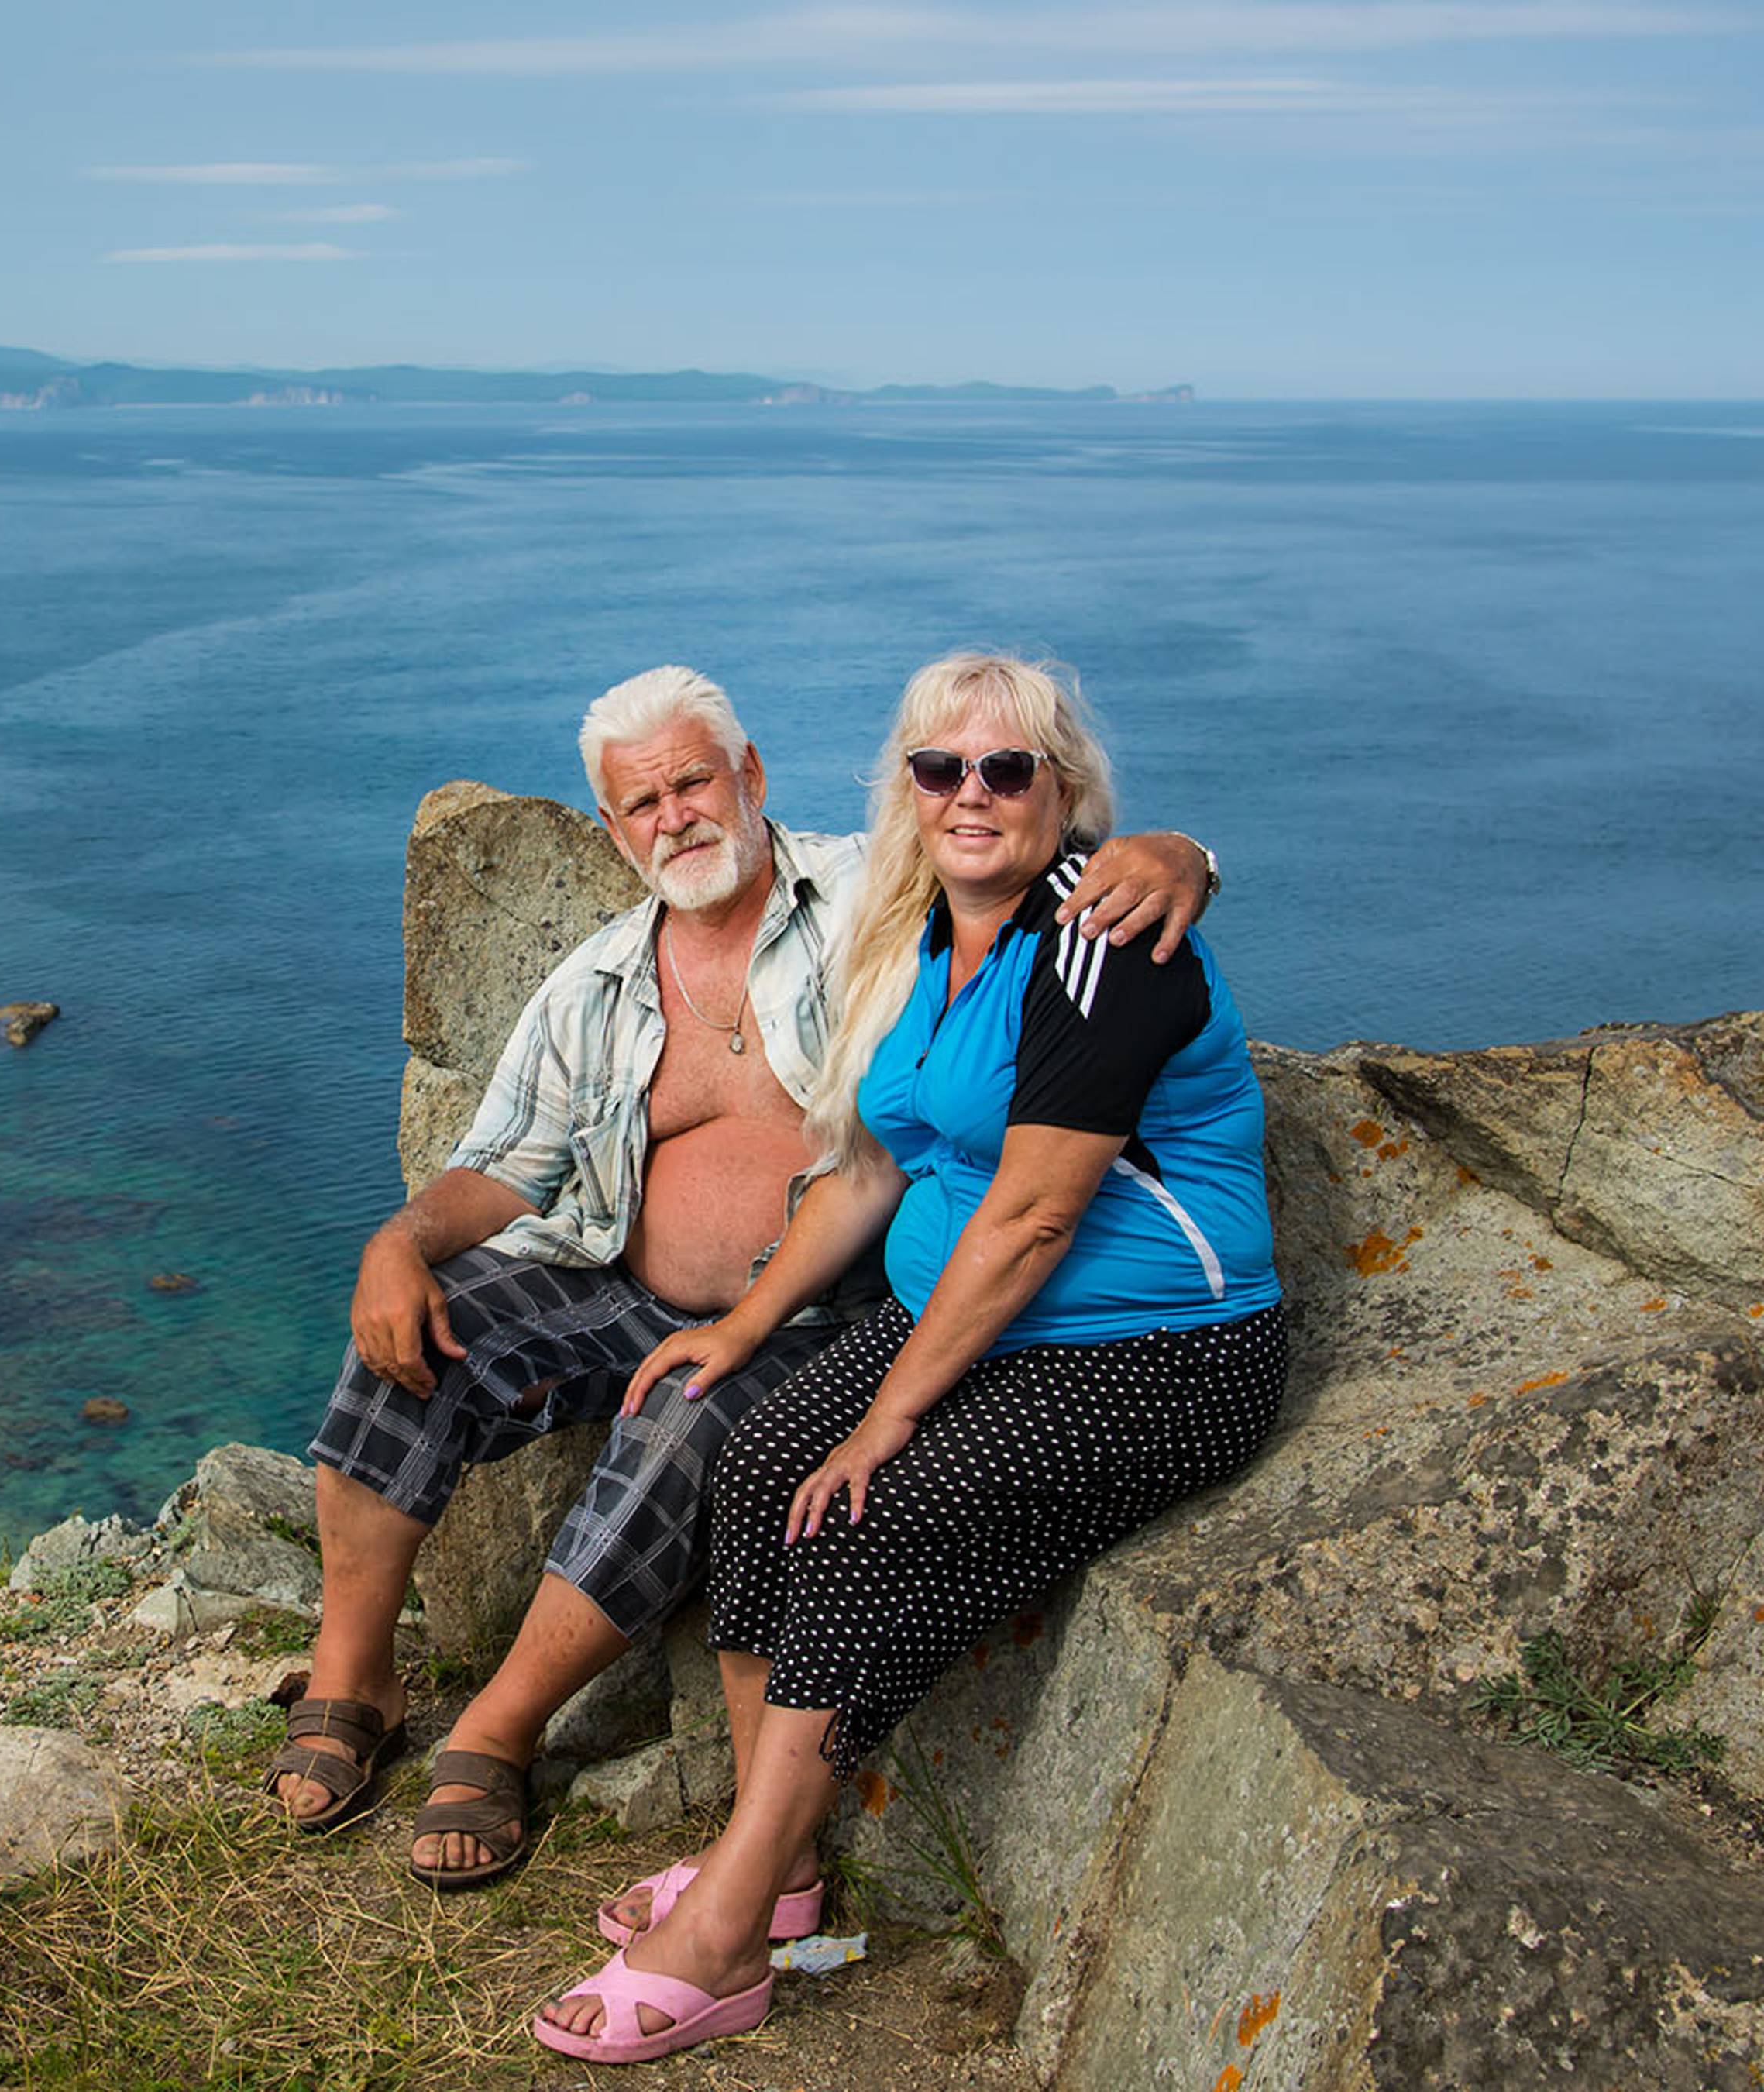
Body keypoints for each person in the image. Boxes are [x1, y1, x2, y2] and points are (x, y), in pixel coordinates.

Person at [268, 664, 1222, 1888]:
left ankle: (499, 1729)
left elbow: (1014, 839)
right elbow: (504, 1170)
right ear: (612, 831)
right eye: (641, 803)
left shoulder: (874, 891)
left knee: (689, 1417)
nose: (675, 817)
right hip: (617, 1285)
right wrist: (395, 1245)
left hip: (815, 1312)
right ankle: (355, 1675)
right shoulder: (595, 981)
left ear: (751, 777)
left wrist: (1182, 849)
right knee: (422, 1324)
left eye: (693, 782)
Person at [535, 653, 1288, 2063]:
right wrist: (748, 1325)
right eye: (942, 769)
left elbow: (1036, 1212)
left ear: (1067, 795)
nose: (972, 795)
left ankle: (727, 1934)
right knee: (756, 1462)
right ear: (908, 791)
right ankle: (784, 1873)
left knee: (866, 1512)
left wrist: (884, 1417)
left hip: (1155, 1354)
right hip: (983, 1330)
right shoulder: (918, 936)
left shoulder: (1098, 943)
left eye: (1009, 769)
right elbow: (882, 1164)